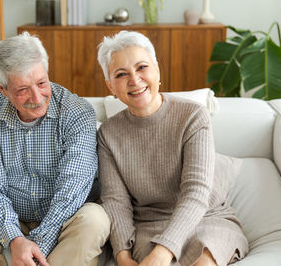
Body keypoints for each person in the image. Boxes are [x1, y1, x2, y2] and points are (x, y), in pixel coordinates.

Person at [0, 32, 110, 266]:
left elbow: (73, 188)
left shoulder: (77, 112)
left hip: (65, 219)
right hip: (12, 217)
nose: (37, 97)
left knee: (95, 219)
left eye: (42, 83)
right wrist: (14, 239)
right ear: (2, 88)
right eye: (22, 90)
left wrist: (38, 243)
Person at [96, 31, 248, 266]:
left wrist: (163, 251)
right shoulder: (107, 134)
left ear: (157, 70)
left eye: (142, 67)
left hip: (206, 218)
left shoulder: (193, 116)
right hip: (149, 224)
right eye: (121, 74)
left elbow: (196, 192)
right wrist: (122, 254)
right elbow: (115, 201)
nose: (134, 80)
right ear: (111, 86)